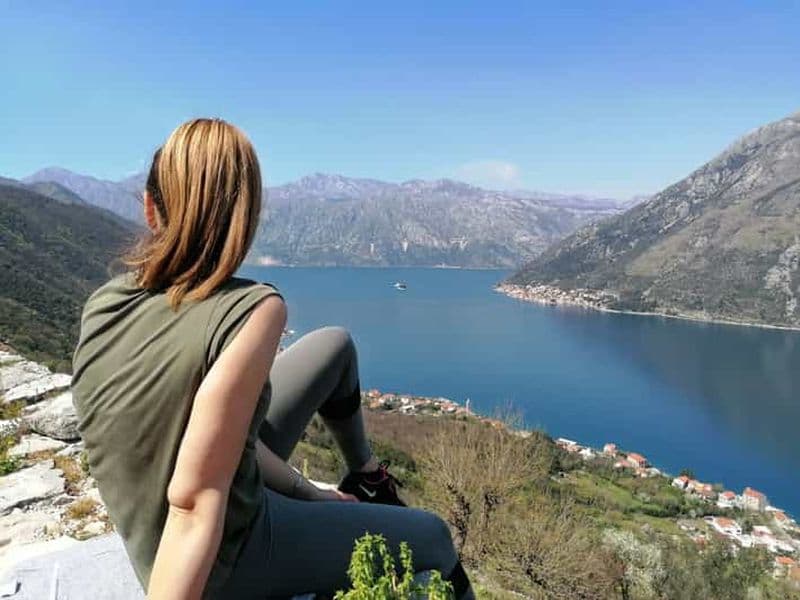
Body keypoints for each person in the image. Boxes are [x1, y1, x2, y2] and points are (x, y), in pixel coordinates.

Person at [71, 118, 473, 600]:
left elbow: (219, 437)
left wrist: (313, 494)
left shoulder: (106, 301)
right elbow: (194, 504)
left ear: (150, 208)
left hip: (163, 514)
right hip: (218, 557)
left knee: (334, 345)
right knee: (433, 537)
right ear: (247, 214)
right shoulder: (253, 309)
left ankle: (367, 477)